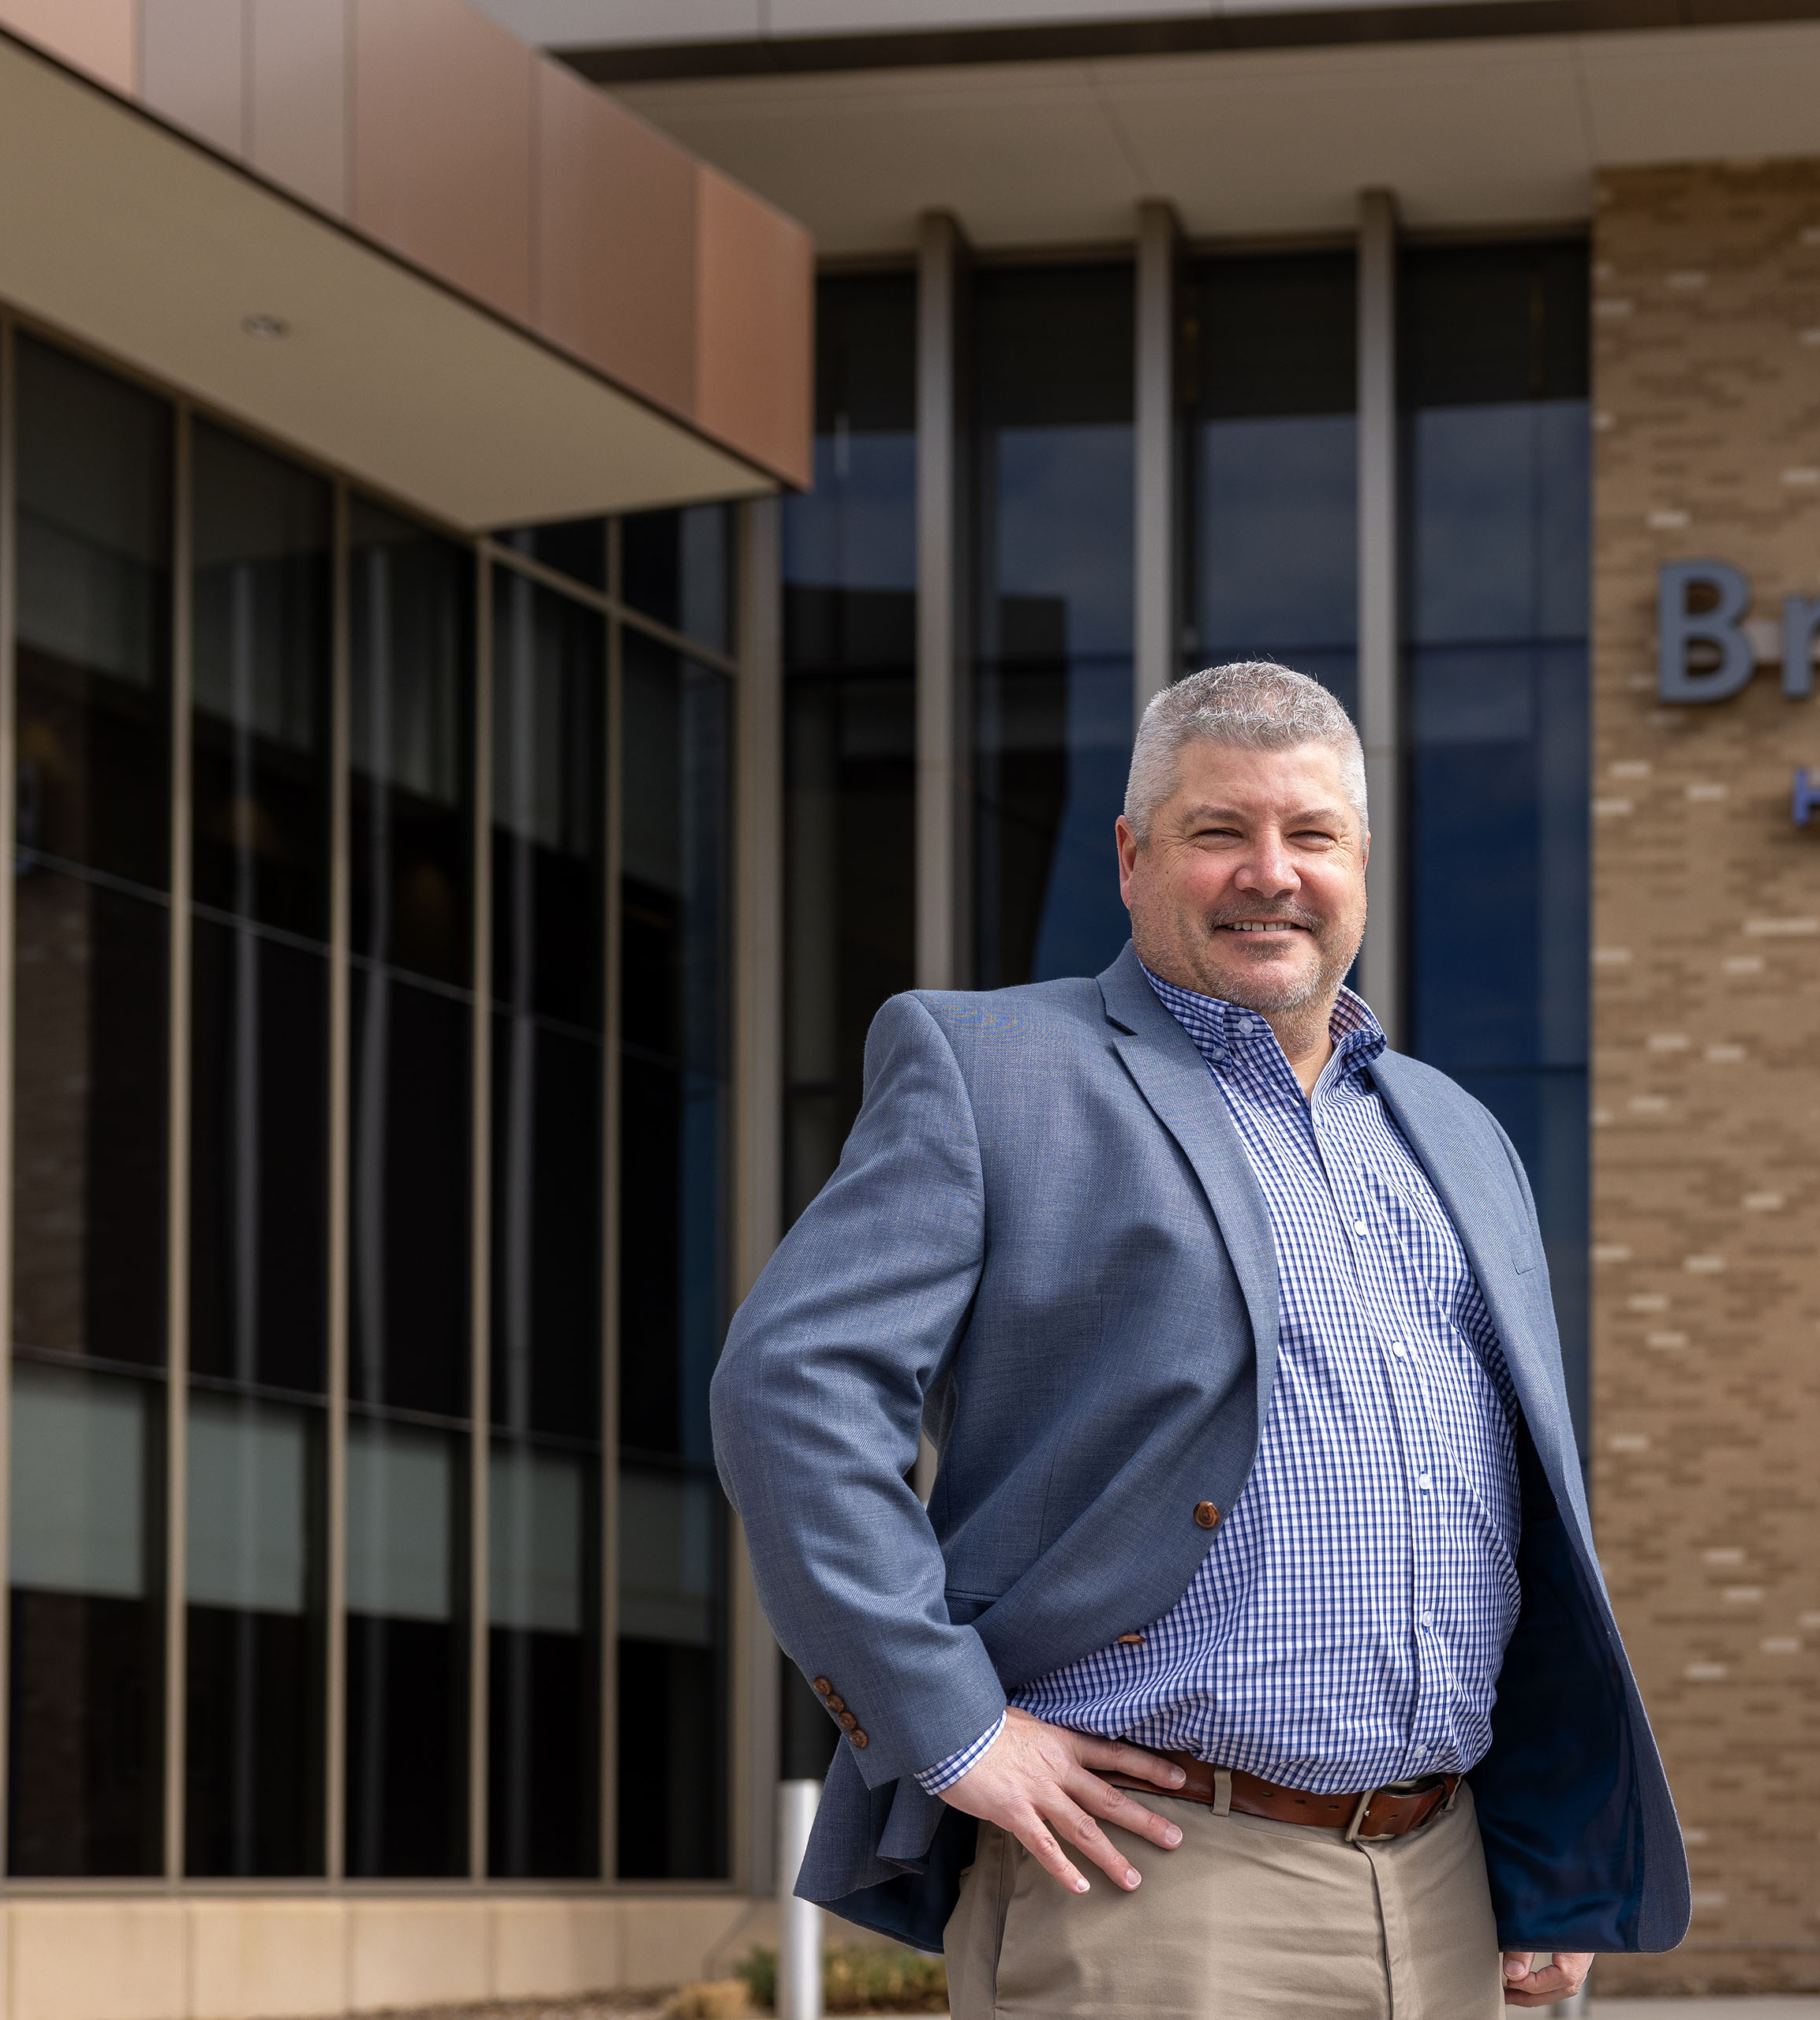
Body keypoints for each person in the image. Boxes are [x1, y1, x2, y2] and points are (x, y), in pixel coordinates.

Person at [716, 661, 1685, 2015]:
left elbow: (1503, 1511)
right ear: (1132, 856)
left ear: (1361, 862)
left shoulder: (1455, 1132)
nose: (1269, 873)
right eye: (1218, 832)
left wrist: (1543, 1859)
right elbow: (793, 1390)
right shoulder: (992, 1066)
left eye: (1311, 836)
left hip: (1446, 1880)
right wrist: (950, 1726)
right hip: (1157, 1890)